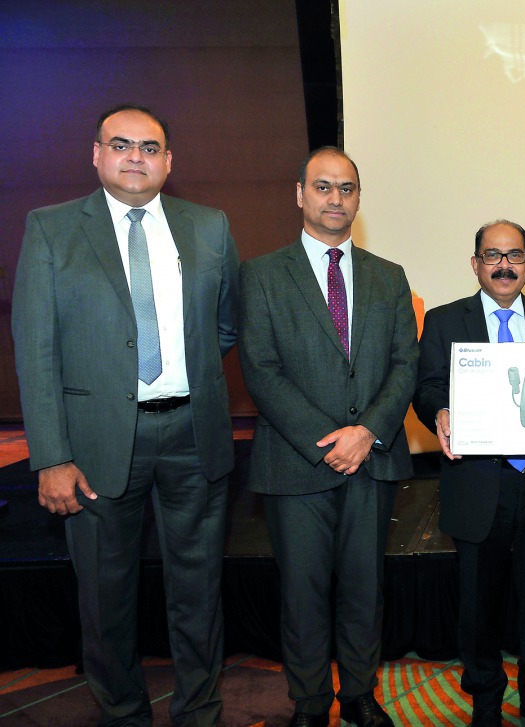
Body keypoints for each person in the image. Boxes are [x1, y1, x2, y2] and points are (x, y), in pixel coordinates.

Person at [11, 104, 239, 726]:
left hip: (193, 434)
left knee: (199, 596)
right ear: (96, 154)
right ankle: (124, 716)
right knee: (105, 600)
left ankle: (200, 713)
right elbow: (35, 350)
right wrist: (52, 456)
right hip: (92, 447)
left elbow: (224, 324)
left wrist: (178, 373)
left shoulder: (210, 226)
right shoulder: (52, 228)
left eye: (150, 147)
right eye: (121, 144)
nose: (135, 156)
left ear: (169, 161)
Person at [237, 147, 419, 727]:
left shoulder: (389, 276)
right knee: (303, 596)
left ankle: (360, 695)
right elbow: (260, 368)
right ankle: (311, 702)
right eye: (323, 187)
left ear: (358, 198)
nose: (335, 198)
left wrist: (365, 431)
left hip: (372, 458)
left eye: (347, 188)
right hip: (297, 464)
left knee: (365, 591)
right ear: (300, 194)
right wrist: (328, 439)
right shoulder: (262, 274)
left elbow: (404, 364)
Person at [413, 220, 525, 727]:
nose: (504, 265)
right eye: (492, 255)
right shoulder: (446, 322)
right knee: (478, 598)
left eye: (514, 255)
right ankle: (486, 696)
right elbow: (426, 387)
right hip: (477, 479)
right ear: (475, 264)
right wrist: (439, 413)